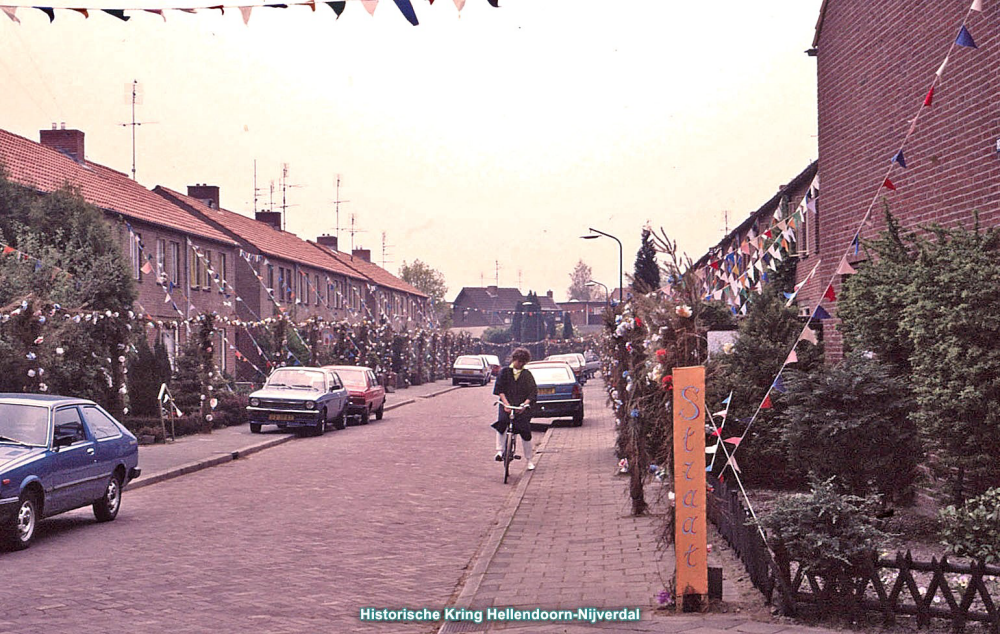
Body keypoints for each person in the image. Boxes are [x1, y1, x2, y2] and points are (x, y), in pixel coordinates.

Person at [491, 347, 538, 470]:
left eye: (524, 362)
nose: (521, 364)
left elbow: (533, 392)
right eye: (519, 361)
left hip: (521, 406)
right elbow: (500, 390)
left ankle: (529, 460)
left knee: (525, 431)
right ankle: (500, 451)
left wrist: (525, 404)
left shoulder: (527, 374)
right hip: (507, 404)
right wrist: (505, 404)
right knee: (502, 423)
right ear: (514, 360)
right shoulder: (504, 372)